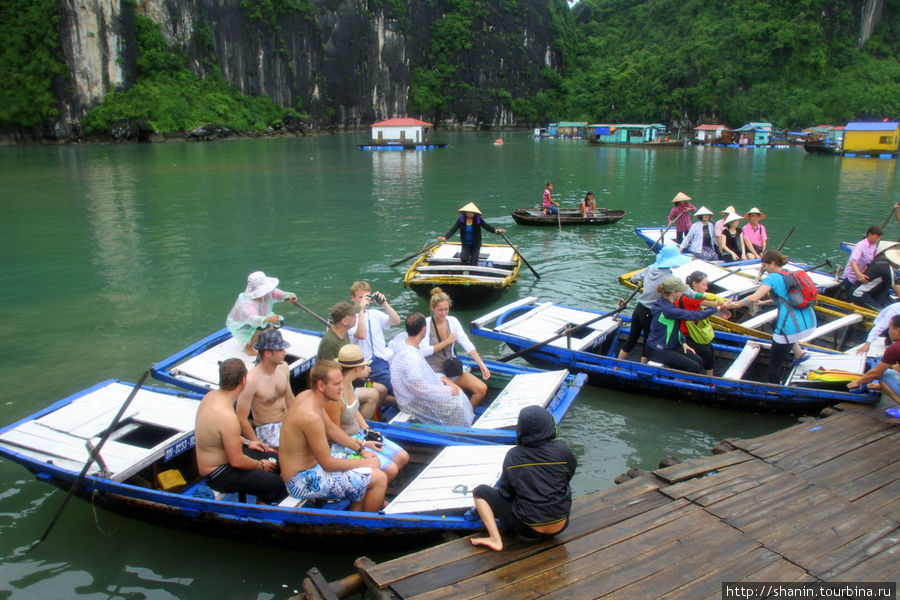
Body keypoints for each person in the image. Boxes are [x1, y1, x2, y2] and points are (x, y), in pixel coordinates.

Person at [278, 361, 387, 511]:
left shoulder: (308, 396)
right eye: (336, 384)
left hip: (313, 467)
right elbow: (328, 464)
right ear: (321, 385)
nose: (342, 388)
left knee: (366, 472)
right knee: (379, 478)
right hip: (301, 480)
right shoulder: (310, 417)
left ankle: (355, 523)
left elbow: (332, 430)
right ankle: (369, 527)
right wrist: (366, 462)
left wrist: (361, 450)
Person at [470, 406, 577, 552]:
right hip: (561, 525)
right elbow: (568, 475)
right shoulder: (563, 450)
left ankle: (495, 539)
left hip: (528, 528)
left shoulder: (514, 455)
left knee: (480, 491)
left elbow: (505, 492)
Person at [195, 358, 287, 505]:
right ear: (243, 380)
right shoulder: (228, 418)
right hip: (218, 474)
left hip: (222, 461)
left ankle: (260, 499)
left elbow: (219, 435)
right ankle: (262, 518)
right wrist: (261, 465)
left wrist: (248, 442)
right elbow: (237, 461)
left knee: (273, 457)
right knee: (277, 484)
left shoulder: (210, 397)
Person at [325, 345, 409, 480]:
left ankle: (381, 486)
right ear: (357, 369)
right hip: (345, 444)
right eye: (364, 367)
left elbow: (354, 411)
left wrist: (368, 430)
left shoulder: (349, 384)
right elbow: (335, 435)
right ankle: (378, 490)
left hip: (360, 435)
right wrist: (363, 444)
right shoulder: (335, 397)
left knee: (403, 457)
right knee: (391, 469)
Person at [735, 250, 817, 383]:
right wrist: (764, 302)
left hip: (790, 328)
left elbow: (754, 297)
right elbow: (784, 298)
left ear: (772, 264)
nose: (765, 270)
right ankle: (800, 354)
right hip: (809, 322)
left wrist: (736, 304)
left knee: (774, 365)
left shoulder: (772, 278)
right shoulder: (788, 274)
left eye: (765, 266)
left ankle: (773, 391)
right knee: (773, 324)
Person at [389, 313, 474, 427]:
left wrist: (441, 384)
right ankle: (454, 431)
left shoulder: (402, 343)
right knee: (459, 402)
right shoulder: (411, 357)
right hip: (412, 401)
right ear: (423, 330)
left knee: (457, 393)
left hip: (412, 393)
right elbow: (420, 390)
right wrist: (447, 391)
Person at [618, 244, 691, 362]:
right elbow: (686, 292)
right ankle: (642, 370)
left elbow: (634, 278)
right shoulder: (668, 278)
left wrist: (645, 283)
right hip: (650, 313)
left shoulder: (650, 268)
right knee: (648, 343)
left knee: (631, 340)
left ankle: (616, 365)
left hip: (639, 308)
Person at [421, 287, 490, 409]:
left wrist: (481, 364)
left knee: (481, 389)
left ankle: (466, 418)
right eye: (440, 310)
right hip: (434, 371)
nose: (443, 313)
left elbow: (466, 343)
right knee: (459, 395)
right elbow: (423, 351)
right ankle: (457, 420)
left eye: (446, 309)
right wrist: (447, 341)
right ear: (432, 308)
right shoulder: (426, 323)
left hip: (451, 368)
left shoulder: (452, 321)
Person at [645, 277, 729, 373]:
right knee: (694, 367)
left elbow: (675, 326)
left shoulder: (664, 302)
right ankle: (677, 385)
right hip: (658, 350)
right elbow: (696, 315)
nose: (683, 293)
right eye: (681, 291)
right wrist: (719, 308)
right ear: (674, 292)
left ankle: (680, 381)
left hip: (669, 345)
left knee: (699, 360)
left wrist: (683, 342)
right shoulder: (668, 310)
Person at [318, 301, 379, 419]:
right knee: (374, 394)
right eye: (352, 315)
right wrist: (358, 374)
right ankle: (357, 423)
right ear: (344, 322)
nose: (356, 316)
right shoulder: (330, 343)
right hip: (339, 385)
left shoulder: (343, 334)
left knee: (382, 390)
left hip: (349, 379)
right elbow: (327, 374)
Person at [235, 328, 294, 450]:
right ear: (268, 353)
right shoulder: (251, 381)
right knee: (293, 449)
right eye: (280, 350)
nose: (285, 353)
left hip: (289, 420)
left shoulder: (284, 368)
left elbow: (290, 399)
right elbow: (241, 417)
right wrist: (257, 443)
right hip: (268, 428)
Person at [348, 281, 401, 403]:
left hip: (385, 359)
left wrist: (384, 304)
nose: (363, 300)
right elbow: (361, 335)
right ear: (353, 298)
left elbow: (396, 321)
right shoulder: (350, 319)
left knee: (406, 381)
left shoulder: (375, 314)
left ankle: (391, 401)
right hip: (368, 366)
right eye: (360, 297)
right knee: (395, 386)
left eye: (365, 297)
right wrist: (360, 310)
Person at [226, 271, 298, 356]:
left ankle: (263, 338)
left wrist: (289, 296)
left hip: (262, 318)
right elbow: (252, 318)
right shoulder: (245, 303)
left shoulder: (267, 293)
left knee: (278, 322)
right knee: (263, 326)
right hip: (242, 325)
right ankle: (248, 347)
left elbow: (278, 294)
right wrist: (267, 319)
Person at [675, 271, 729, 375]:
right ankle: (703, 379)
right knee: (706, 353)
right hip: (683, 335)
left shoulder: (693, 294)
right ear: (695, 283)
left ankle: (710, 379)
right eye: (704, 284)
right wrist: (731, 304)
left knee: (710, 349)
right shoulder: (690, 297)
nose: (706, 287)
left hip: (691, 333)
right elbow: (714, 304)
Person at [848, 314, 900, 412]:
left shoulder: (895, 348)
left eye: (890, 329)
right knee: (887, 373)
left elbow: (876, 373)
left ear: (898, 330)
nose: (889, 332)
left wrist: (856, 382)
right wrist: (880, 385)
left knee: (883, 373)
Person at [437, 202, 506, 266]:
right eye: (468, 212)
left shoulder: (478, 220)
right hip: (465, 243)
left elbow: (487, 227)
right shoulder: (461, 220)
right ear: (465, 213)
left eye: (471, 213)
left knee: (474, 261)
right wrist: (446, 237)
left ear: (474, 213)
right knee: (464, 259)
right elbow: (453, 229)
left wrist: (496, 230)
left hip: (476, 243)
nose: (470, 214)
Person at [849, 243, 900, 310]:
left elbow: (866, 267)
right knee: (881, 312)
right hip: (860, 295)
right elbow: (896, 287)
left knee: (893, 306)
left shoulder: (880, 259)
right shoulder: (888, 270)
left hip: (874, 292)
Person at [841, 225, 884, 297]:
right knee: (851, 297)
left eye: (879, 238)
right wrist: (859, 274)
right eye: (877, 237)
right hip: (852, 277)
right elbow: (853, 261)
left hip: (862, 276)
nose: (878, 240)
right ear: (870, 234)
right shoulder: (860, 246)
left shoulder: (873, 245)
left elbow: (870, 261)